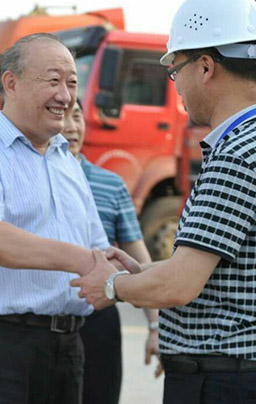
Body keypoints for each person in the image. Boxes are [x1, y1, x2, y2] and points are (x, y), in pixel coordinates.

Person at [72, 0, 256, 403]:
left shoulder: (239, 153)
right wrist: (141, 273)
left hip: (223, 383)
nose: (176, 86)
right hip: (244, 377)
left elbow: (181, 284)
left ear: (205, 67)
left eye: (175, 70)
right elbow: (217, 272)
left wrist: (111, 286)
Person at [0, 33, 112, 404]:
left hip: (66, 348)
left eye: (72, 83)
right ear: (11, 83)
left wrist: (130, 272)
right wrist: (84, 261)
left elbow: (97, 248)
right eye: (53, 81)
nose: (65, 96)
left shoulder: (67, 161)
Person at [62, 100, 161, 404]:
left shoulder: (110, 184)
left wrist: (155, 327)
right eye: (62, 117)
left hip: (98, 319)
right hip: (46, 323)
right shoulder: (30, 180)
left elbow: (139, 261)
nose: (71, 127)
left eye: (77, 117)